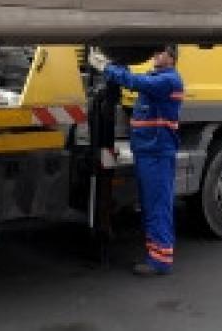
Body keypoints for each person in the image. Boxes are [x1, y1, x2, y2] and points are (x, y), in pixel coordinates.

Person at [93, 45, 184, 276]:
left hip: (156, 154)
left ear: (172, 58)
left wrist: (106, 67)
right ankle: (156, 254)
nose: (155, 54)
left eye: (161, 52)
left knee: (157, 207)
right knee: (151, 205)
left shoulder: (169, 80)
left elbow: (136, 82)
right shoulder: (158, 78)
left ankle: (160, 261)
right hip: (149, 153)